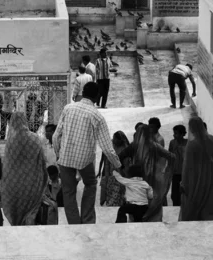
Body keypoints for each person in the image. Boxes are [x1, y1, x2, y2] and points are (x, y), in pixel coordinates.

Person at [53, 81, 121, 224]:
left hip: (65, 157)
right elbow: (107, 147)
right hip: (84, 160)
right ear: (96, 97)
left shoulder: (68, 108)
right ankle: (87, 219)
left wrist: (59, 154)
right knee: (90, 184)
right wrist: (118, 165)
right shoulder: (97, 116)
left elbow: (55, 136)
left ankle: (74, 223)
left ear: (83, 93)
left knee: (68, 191)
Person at [119, 124, 175, 222]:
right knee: (151, 200)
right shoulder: (154, 146)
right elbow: (171, 156)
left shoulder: (134, 146)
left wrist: (125, 172)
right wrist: (162, 171)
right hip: (151, 179)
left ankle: (137, 221)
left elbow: (120, 157)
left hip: (136, 179)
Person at [1, 112, 47, 225]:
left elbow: (7, 164)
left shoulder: (11, 141)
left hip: (15, 183)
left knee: (17, 209)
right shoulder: (35, 138)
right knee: (31, 208)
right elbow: (42, 160)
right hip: (32, 181)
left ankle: (18, 226)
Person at [179, 117, 213, 221]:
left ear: (192, 128)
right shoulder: (212, 140)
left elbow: (187, 168)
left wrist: (184, 184)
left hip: (196, 180)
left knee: (194, 206)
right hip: (210, 178)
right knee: (208, 203)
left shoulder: (192, 145)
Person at [98, 130, 130, 207]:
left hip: (121, 179)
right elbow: (106, 164)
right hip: (112, 179)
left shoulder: (125, 149)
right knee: (112, 201)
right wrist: (106, 178)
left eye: (115, 139)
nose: (113, 141)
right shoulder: (111, 146)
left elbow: (127, 166)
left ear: (120, 140)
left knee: (119, 201)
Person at [168, 124, 187, 206]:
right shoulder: (172, 143)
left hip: (185, 172)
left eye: (176, 133)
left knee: (185, 192)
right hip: (175, 172)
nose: (174, 135)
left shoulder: (187, 143)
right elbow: (170, 156)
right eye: (174, 133)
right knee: (175, 194)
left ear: (182, 134)